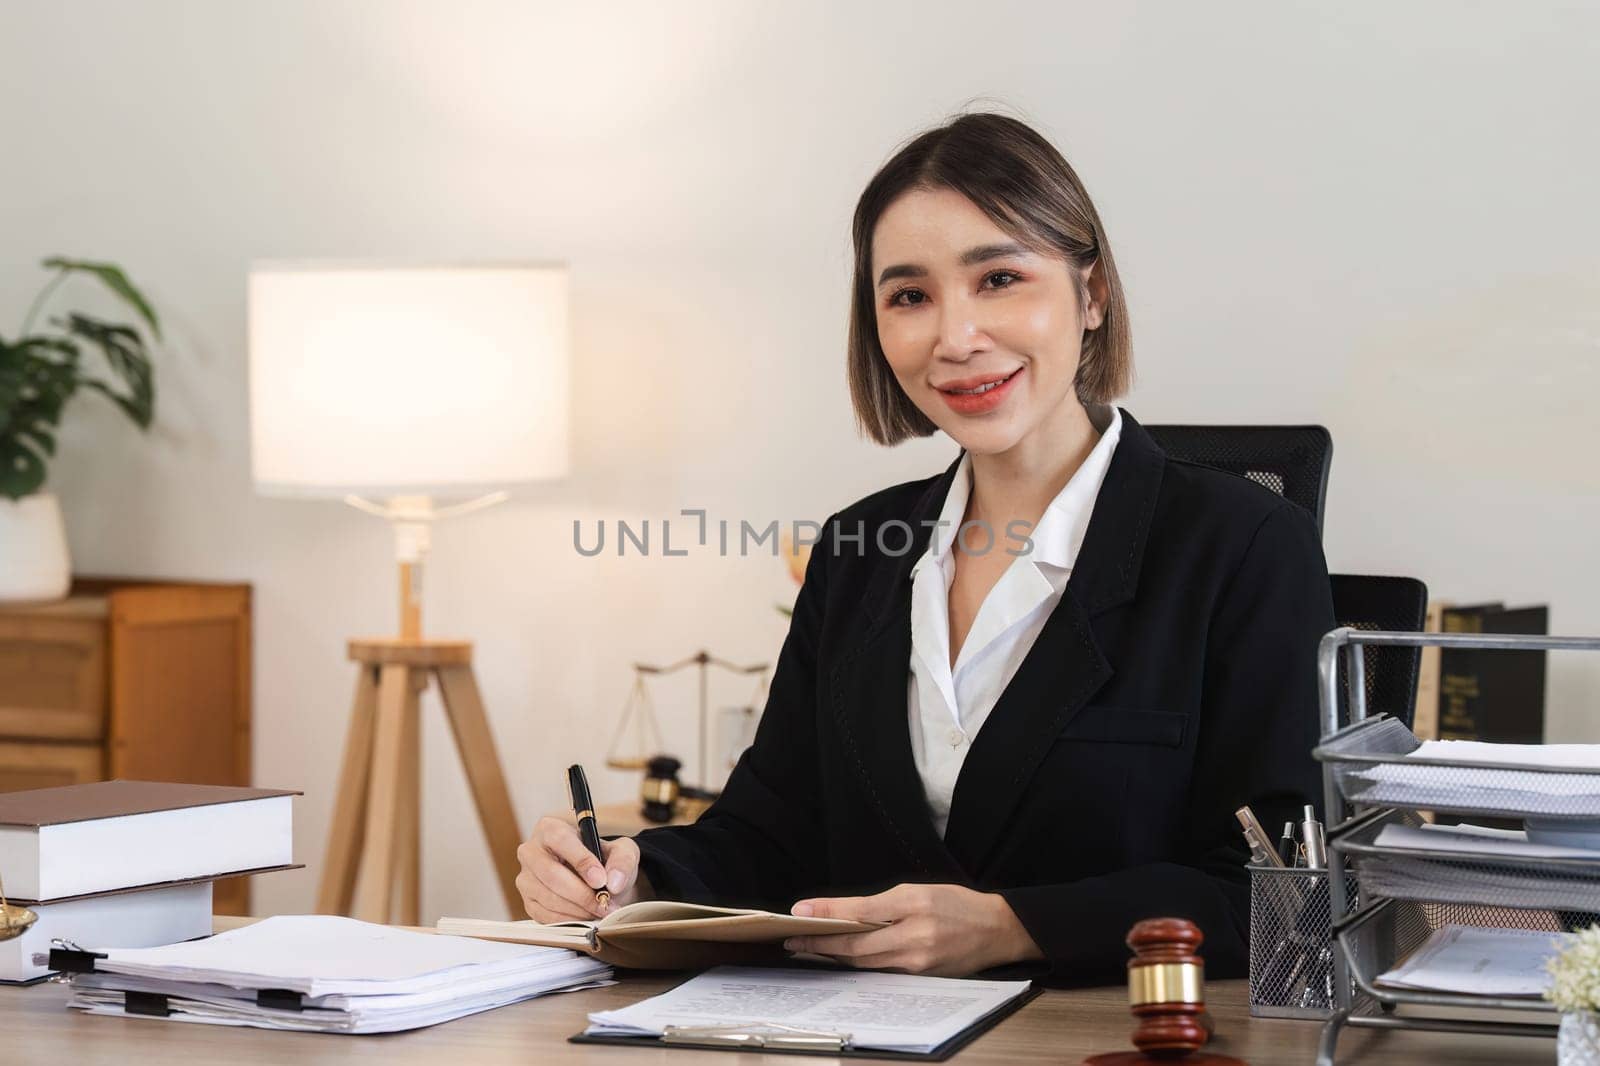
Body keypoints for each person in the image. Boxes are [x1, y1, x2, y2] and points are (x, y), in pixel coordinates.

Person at [516, 111, 1334, 984]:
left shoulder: (1243, 544)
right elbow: (774, 831)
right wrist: (640, 872)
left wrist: (1017, 927)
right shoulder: (860, 550)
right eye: (909, 296)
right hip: (858, 1036)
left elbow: (1289, 891)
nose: (955, 337)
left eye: (1000, 278)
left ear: (1091, 296)